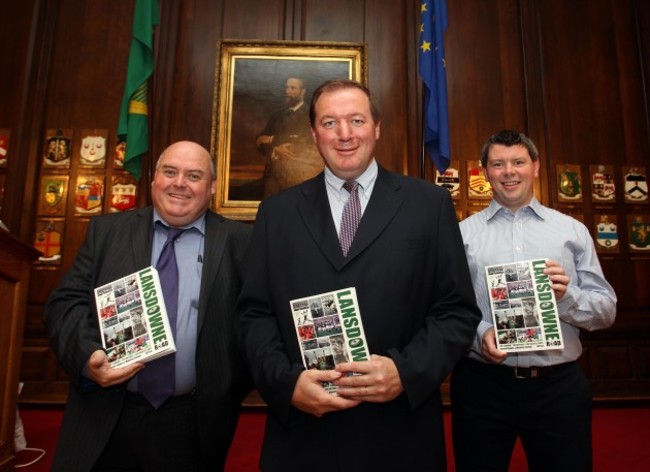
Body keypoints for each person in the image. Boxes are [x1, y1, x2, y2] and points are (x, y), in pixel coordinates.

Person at [238, 79, 482, 471]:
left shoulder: (428, 204)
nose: (345, 134)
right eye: (330, 123)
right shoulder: (276, 213)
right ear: (314, 134)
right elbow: (254, 314)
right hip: (304, 433)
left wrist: (405, 371)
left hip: (400, 431)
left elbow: (456, 311)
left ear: (377, 128)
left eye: (356, 120)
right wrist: (286, 384)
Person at [43, 141, 253, 471]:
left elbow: (255, 320)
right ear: (154, 178)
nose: (179, 183)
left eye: (194, 175)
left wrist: (228, 387)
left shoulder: (241, 242)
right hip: (109, 410)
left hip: (192, 422)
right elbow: (64, 304)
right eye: (170, 172)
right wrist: (88, 357)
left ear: (211, 187)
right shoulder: (107, 232)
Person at [450, 130, 617, 471]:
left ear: (535, 167)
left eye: (518, 162)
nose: (509, 172)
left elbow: (606, 311)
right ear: (485, 172)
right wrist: (479, 333)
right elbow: (447, 308)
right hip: (482, 386)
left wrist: (566, 296)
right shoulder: (462, 235)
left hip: (557, 387)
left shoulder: (571, 231)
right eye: (498, 164)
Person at [255, 76, 323, 197]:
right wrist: (275, 149)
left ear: (303, 91)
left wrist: (271, 139)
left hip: (299, 179)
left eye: (293, 88)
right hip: (273, 178)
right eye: (286, 87)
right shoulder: (276, 115)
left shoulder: (312, 115)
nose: (287, 91)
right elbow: (259, 141)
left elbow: (302, 143)